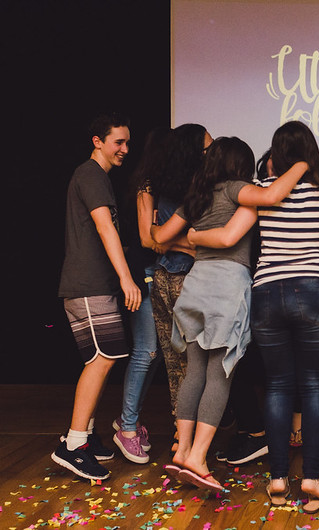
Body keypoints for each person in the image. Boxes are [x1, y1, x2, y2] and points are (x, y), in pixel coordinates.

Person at [189, 121, 319, 511]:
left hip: (267, 293)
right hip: (313, 294)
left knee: (279, 386)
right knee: (315, 386)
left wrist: (190, 238)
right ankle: (313, 481)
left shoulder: (264, 194)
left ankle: (280, 479)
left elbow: (230, 235)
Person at [155, 136, 307, 492]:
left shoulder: (197, 194)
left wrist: (191, 236)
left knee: (194, 373)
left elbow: (160, 236)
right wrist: (302, 164)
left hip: (196, 284)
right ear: (240, 164)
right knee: (219, 375)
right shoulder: (239, 190)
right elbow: (269, 198)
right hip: (226, 286)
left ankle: (183, 451)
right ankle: (197, 459)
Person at [52, 112, 142, 480]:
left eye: (127, 143)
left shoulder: (94, 176)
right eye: (118, 142)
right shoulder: (91, 175)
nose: (124, 149)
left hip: (90, 285)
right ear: (98, 142)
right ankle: (73, 445)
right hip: (88, 285)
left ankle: (85, 436)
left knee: (102, 357)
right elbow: (106, 228)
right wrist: (126, 279)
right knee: (103, 359)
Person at [149, 124, 211, 452]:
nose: (211, 155)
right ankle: (187, 442)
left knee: (176, 363)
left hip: (163, 278)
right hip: (186, 281)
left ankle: (180, 436)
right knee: (193, 365)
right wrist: (187, 245)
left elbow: (159, 236)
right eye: (206, 149)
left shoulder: (166, 185)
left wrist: (174, 242)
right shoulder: (195, 191)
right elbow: (157, 237)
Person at [113, 126, 170, 464]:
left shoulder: (160, 186)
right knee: (146, 351)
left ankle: (126, 420)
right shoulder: (145, 186)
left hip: (155, 274)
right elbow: (148, 239)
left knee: (156, 353)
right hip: (143, 274)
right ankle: (128, 429)